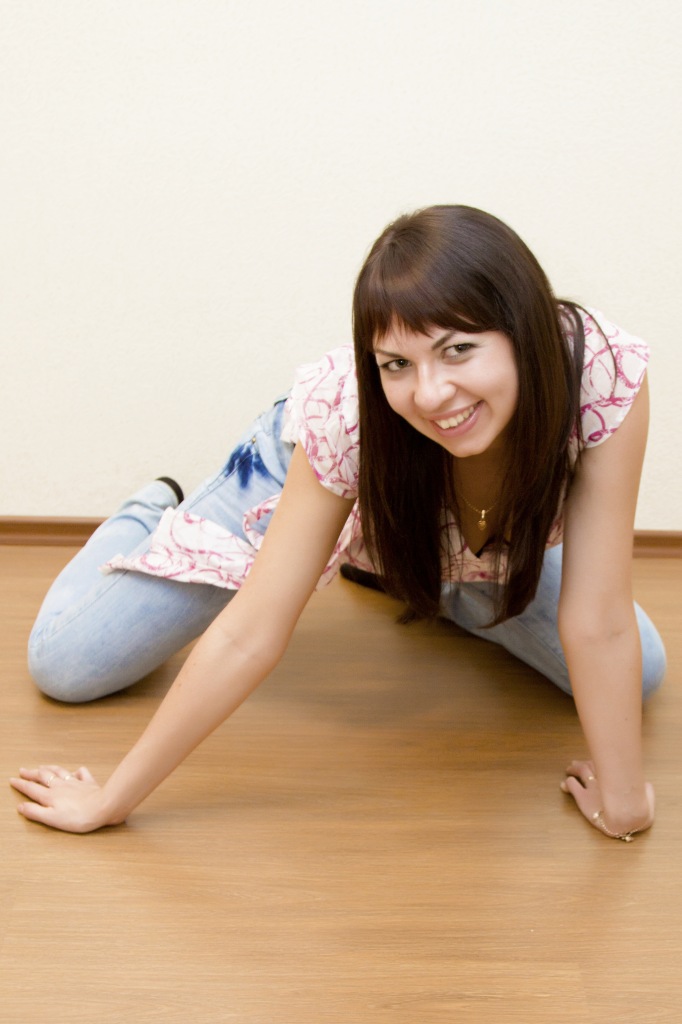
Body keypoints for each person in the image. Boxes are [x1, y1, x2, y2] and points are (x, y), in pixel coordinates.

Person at [10, 205, 666, 840]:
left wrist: (625, 804)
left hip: (467, 528)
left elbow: (599, 620)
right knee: (67, 664)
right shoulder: (345, 416)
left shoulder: (599, 374)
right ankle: (149, 511)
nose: (431, 393)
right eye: (397, 364)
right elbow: (248, 635)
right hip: (296, 478)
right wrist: (111, 801)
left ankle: (422, 575)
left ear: (524, 329)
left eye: (458, 349)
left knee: (637, 673)